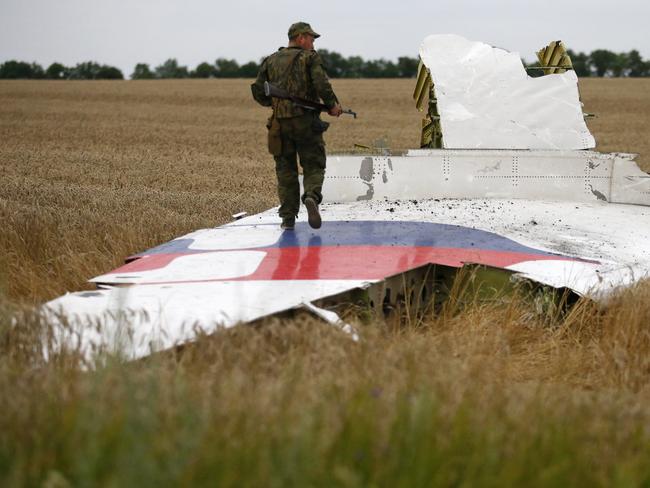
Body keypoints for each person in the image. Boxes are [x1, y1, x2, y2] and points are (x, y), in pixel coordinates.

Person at [251, 22, 343, 230]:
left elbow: (258, 90)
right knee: (313, 164)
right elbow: (322, 85)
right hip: (306, 122)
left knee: (285, 172)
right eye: (311, 39)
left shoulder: (270, 60)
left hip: (279, 125)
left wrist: (274, 104)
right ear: (301, 38)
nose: (313, 43)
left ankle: (288, 219)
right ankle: (310, 196)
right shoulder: (309, 58)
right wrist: (333, 106)